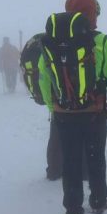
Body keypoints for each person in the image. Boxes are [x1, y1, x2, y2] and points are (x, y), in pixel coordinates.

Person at [38, 0, 107, 214]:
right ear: (93, 13)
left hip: (64, 113)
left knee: (71, 161)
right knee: (95, 158)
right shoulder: (102, 41)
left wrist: (52, 106)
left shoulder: (49, 40)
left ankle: (73, 209)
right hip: (94, 111)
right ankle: (98, 201)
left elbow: (44, 77)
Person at [19, 33, 88, 181]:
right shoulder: (67, 42)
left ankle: (54, 170)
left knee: (57, 134)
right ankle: (83, 171)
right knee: (82, 133)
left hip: (55, 97)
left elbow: (43, 77)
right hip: (74, 95)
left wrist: (50, 103)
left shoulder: (45, 43)